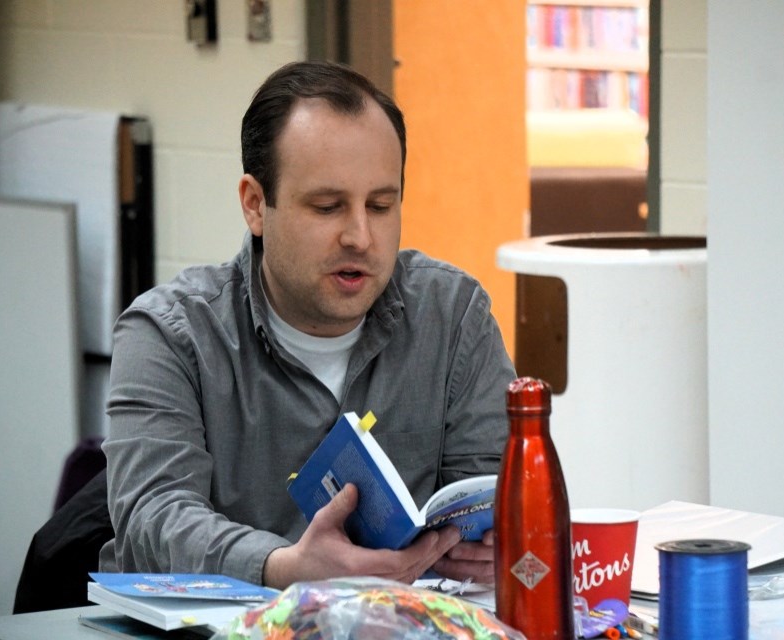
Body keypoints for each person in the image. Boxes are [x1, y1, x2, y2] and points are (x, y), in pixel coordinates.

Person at [98, 61, 516, 590]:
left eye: (381, 205)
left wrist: (485, 545)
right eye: (327, 207)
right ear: (255, 205)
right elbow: (151, 518)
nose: (361, 237)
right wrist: (283, 569)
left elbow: (492, 491)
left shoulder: (454, 317)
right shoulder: (168, 335)